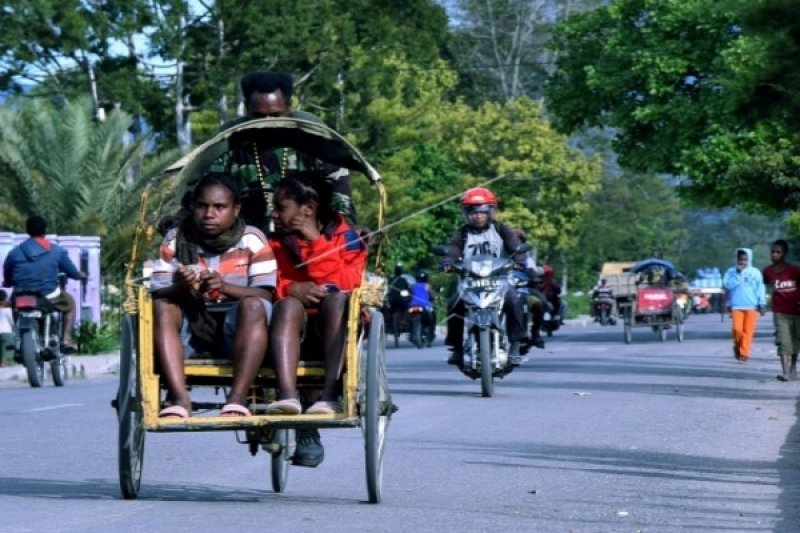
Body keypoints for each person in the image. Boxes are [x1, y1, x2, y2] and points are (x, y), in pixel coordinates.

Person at [150, 174, 276, 419]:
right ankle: (179, 398)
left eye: (219, 207)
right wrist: (180, 286)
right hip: (190, 327)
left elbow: (265, 292)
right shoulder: (176, 238)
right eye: (202, 206)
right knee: (162, 305)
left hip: (238, 329)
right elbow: (159, 287)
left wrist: (225, 286)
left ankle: (237, 399)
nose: (209, 214)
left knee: (253, 306)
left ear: (235, 209)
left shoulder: (252, 239)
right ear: (193, 206)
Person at [264, 172, 367, 466]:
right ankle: (287, 397)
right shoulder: (272, 242)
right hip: (286, 328)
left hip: (334, 330)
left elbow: (348, 283)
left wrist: (315, 242)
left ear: (307, 209)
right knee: (286, 305)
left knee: (336, 300)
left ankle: (330, 394)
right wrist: (290, 288)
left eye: (281, 207)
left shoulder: (348, 237)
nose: (274, 213)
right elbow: (264, 280)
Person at [214, 71, 356, 229]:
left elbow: (340, 196)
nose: (268, 123)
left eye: (276, 115)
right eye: (259, 116)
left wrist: (343, 229)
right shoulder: (229, 144)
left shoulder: (313, 141)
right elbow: (208, 195)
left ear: (288, 108)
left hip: (308, 240)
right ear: (248, 109)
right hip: (246, 241)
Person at [441, 187, 529, 366]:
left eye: (482, 212)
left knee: (514, 301)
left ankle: (515, 346)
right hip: (470, 281)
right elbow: (453, 249)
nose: (478, 216)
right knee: (454, 304)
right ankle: (456, 348)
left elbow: (515, 246)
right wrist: (448, 262)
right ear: (466, 214)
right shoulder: (462, 233)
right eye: (473, 213)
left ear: (490, 212)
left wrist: (519, 259)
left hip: (500, 279)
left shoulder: (501, 229)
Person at [2, 215, 85, 352]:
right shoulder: (57, 251)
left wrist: (8, 282)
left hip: (22, 294)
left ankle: (18, 338)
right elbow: (73, 272)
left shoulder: (14, 252)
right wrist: (79, 275)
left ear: (27, 230)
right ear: (45, 230)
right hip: (48, 295)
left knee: (14, 304)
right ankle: (66, 339)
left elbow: (7, 274)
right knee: (70, 304)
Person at [762, 239, 800, 381]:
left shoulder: (795, 270)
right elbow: (764, 285)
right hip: (780, 312)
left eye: (778, 252)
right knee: (783, 341)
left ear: (785, 253)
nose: (774, 255)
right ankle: (785, 372)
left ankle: (793, 368)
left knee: (795, 341)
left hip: (796, 310)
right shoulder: (768, 271)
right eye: (773, 252)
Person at [723, 247, 766, 363]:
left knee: (748, 331)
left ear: (749, 260)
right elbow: (727, 285)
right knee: (737, 330)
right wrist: (738, 274)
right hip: (736, 305)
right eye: (740, 260)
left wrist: (762, 303)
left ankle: (744, 353)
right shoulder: (731, 272)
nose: (742, 262)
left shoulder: (755, 272)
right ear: (736, 260)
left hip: (752, 306)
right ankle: (737, 347)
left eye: (745, 260)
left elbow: (760, 288)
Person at [409, 270, 436, 345]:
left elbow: (409, 295)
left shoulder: (413, 286)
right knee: (432, 318)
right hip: (425, 307)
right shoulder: (427, 286)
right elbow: (432, 295)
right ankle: (430, 334)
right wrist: (434, 297)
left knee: (410, 320)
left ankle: (412, 334)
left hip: (413, 307)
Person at [386, 263, 411, 337]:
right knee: (406, 308)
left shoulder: (390, 279)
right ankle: (403, 320)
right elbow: (408, 289)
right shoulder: (403, 280)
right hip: (400, 300)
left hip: (391, 300)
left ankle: (389, 321)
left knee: (388, 310)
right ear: (401, 272)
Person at [0, 289, 14, 366]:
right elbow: (12, 322)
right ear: (5, 298)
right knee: (7, 350)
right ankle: (5, 362)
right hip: (6, 333)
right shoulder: (7, 310)